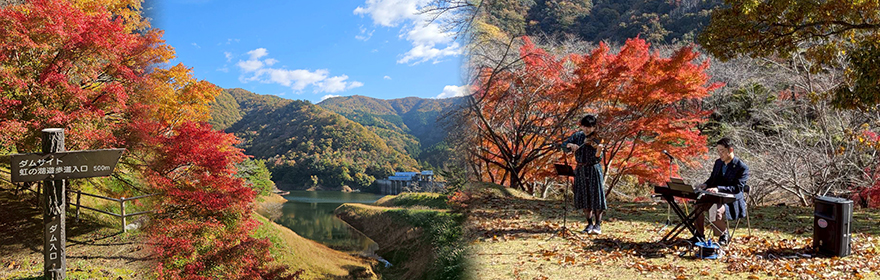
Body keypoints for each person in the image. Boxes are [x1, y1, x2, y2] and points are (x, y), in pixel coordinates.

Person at [690, 137, 749, 245]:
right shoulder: (718, 163)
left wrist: (718, 188)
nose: (720, 154)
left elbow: (737, 188)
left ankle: (724, 234)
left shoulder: (742, 167)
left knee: (715, 211)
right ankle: (699, 235)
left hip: (731, 199)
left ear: (730, 150)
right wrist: (705, 185)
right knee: (698, 205)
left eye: (722, 151)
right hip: (715, 196)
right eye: (718, 151)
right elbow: (713, 179)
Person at [561, 114, 607, 235]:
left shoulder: (598, 139)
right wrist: (571, 145)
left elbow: (598, 158)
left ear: (594, 127)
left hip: (593, 169)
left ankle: (598, 225)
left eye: (590, 127)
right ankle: (589, 224)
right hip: (580, 169)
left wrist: (598, 151)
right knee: (584, 197)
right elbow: (564, 145)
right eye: (585, 127)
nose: (587, 130)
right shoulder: (577, 136)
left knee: (597, 197)